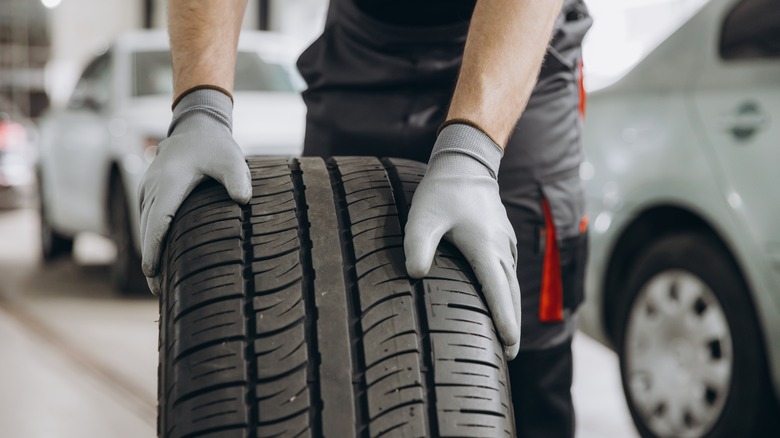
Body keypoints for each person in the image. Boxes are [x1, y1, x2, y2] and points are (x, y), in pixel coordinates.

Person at [138, 0, 592, 436]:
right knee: (323, 316)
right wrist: (200, 107)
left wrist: (471, 153)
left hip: (521, 38)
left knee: (522, 334)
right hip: (365, 39)